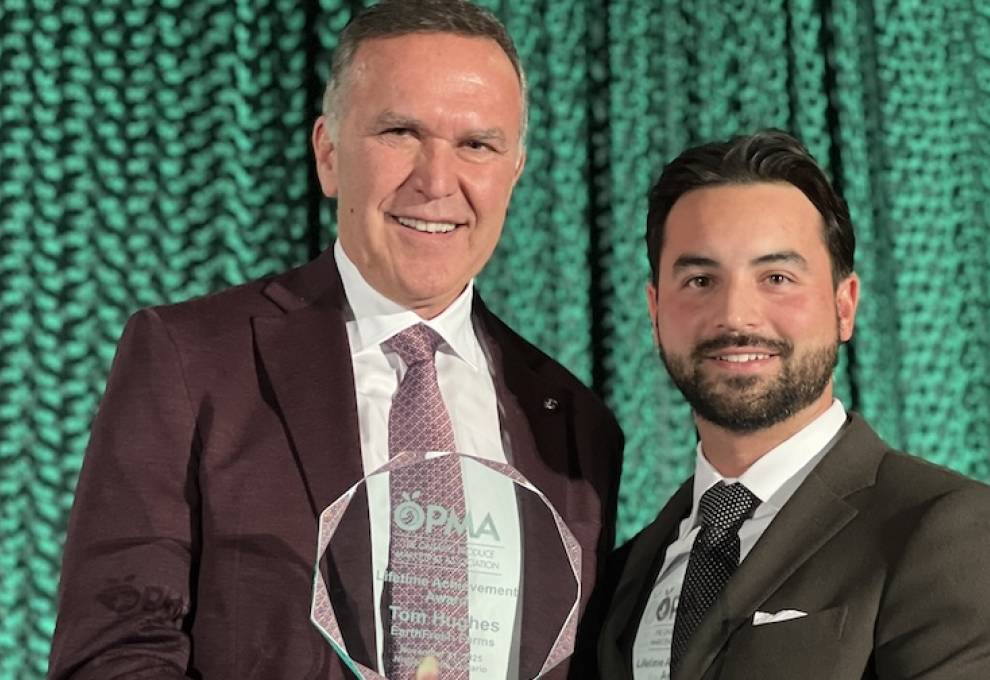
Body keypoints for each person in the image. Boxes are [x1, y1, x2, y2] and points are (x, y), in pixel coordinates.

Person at [47, 2, 623, 678]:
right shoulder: (188, 361)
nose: (437, 182)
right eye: (400, 131)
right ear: (328, 153)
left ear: (514, 171)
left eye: (477, 145)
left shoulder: (575, 424)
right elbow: (113, 653)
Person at [594, 131, 990, 679]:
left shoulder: (946, 530)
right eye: (700, 279)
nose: (735, 315)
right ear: (655, 309)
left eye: (776, 278)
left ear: (843, 306)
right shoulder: (622, 575)